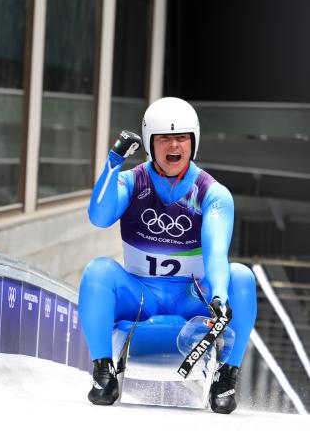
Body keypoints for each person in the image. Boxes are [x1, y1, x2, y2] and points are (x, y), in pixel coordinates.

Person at [78, 97, 257, 414]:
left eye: (182, 137)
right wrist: (114, 161)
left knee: (242, 276)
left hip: (192, 294)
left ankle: (225, 377)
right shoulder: (132, 181)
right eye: (164, 138)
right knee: (97, 271)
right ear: (149, 142)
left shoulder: (212, 194)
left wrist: (218, 295)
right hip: (140, 291)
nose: (174, 145)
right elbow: (99, 217)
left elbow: (217, 251)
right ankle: (103, 373)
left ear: (194, 142)